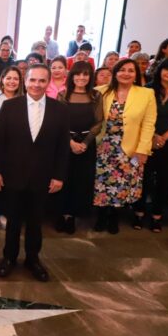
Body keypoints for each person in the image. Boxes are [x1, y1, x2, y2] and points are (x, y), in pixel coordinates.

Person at [0, 65, 70, 282]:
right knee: (13, 221)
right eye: (33, 80)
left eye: (42, 81)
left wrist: (59, 176)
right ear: (25, 81)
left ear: (48, 82)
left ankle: (33, 259)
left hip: (43, 178)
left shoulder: (59, 109)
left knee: (36, 222)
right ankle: (8, 258)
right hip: (13, 175)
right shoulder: (9, 106)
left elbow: (63, 147)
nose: (36, 84)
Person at [93, 59, 156, 233]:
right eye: (122, 70)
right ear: (115, 72)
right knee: (101, 183)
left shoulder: (146, 94)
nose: (126, 73)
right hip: (103, 146)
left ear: (137, 74)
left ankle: (114, 217)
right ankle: (101, 215)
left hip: (129, 148)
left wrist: (143, 150)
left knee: (122, 185)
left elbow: (149, 123)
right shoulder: (101, 91)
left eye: (130, 70)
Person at [133, 56, 168, 232]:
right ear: (160, 70)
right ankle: (138, 212)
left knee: (165, 179)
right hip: (147, 140)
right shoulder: (147, 90)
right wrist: (153, 136)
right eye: (167, 69)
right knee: (144, 177)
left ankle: (157, 216)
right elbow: (139, 115)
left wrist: (164, 137)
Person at [56, 61, 103, 234]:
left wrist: (85, 142)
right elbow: (58, 122)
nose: (81, 78)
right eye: (78, 74)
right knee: (64, 179)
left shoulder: (96, 96)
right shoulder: (63, 95)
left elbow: (99, 122)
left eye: (85, 74)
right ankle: (60, 214)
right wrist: (70, 142)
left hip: (86, 144)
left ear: (90, 76)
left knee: (80, 181)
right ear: (72, 76)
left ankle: (72, 217)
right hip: (65, 142)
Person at [0, 66, 24, 230]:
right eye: (8, 78)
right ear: (2, 79)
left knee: (11, 180)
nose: (12, 81)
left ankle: (5, 212)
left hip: (19, 147)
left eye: (15, 78)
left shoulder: (25, 99)